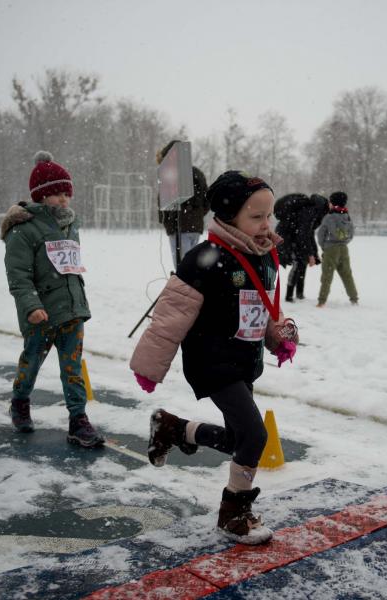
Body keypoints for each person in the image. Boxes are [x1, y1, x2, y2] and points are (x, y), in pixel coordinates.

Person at [130, 170, 299, 545]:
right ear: (227, 216)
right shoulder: (204, 259)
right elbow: (170, 316)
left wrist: (280, 336)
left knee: (240, 439)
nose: (265, 224)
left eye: (268, 216)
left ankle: (173, 428)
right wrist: (149, 365)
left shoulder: (264, 256)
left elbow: (268, 309)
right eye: (256, 217)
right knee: (255, 435)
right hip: (212, 360)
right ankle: (233, 512)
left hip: (243, 362)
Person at [0, 151, 104, 448]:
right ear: (41, 196)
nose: (63, 200)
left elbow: (70, 267)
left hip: (72, 311)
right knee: (31, 363)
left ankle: (78, 420)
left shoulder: (71, 224)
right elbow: (18, 275)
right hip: (41, 314)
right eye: (56, 194)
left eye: (66, 193)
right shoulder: (24, 230)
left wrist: (78, 301)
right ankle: (20, 400)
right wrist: (32, 306)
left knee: (72, 368)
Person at [156, 140, 209, 269]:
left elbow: (164, 201)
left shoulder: (171, 174)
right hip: (195, 227)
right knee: (192, 266)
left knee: (183, 268)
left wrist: (166, 219)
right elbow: (206, 201)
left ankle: (185, 287)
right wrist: (197, 214)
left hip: (179, 226)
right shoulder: (197, 173)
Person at [275, 193, 328, 302]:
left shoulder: (311, 211)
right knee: (298, 264)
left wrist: (314, 253)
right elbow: (303, 234)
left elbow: (309, 233)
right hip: (289, 238)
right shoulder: (310, 211)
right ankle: (289, 296)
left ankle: (299, 293)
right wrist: (309, 254)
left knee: (302, 263)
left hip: (293, 237)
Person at [316, 191, 359, 307]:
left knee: (327, 276)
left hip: (331, 249)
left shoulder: (329, 217)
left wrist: (324, 247)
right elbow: (351, 234)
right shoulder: (347, 217)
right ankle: (354, 298)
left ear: (333, 203)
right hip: (344, 249)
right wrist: (344, 242)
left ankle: (321, 301)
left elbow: (321, 234)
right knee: (347, 275)